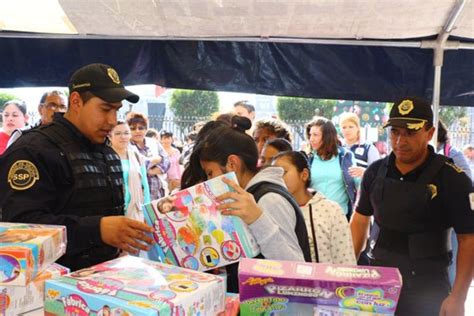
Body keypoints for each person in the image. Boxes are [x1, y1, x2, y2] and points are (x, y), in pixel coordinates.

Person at [0, 63, 154, 271]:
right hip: (51, 287)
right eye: (105, 109)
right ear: (76, 102)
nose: (112, 120)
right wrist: (97, 229)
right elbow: (19, 228)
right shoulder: (33, 150)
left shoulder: (108, 153)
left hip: (102, 282)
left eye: (117, 110)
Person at [350, 97, 474, 315]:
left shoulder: (453, 179)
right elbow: (360, 220)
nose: (400, 141)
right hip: (379, 283)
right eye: (395, 132)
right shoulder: (376, 172)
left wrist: (458, 297)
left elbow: (468, 239)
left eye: (410, 132)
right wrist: (348, 271)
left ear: (429, 132)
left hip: (428, 288)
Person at [194, 116, 310, 292]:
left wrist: (258, 219)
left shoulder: (268, 199)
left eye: (210, 173)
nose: (208, 182)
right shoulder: (246, 197)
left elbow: (296, 270)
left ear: (232, 163)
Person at [272, 151, 356, 265]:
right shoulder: (273, 211)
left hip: (325, 281)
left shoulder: (331, 211)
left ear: (304, 174)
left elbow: (345, 260)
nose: (277, 178)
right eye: (273, 174)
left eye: (283, 172)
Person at [306, 116, 358, 220]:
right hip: (313, 217)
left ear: (327, 136)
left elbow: (357, 183)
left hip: (340, 217)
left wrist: (364, 175)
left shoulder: (346, 156)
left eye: (315, 135)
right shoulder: (308, 158)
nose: (311, 139)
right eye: (310, 135)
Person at [109, 121, 151, 221]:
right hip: (113, 214)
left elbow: (144, 186)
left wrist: (147, 213)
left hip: (136, 212)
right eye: (118, 133)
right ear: (109, 136)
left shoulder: (137, 157)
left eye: (126, 133)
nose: (123, 137)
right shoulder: (105, 157)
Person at [127, 112, 170, 200]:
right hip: (137, 196)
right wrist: (155, 160)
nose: (137, 131)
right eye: (133, 128)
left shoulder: (153, 143)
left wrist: (151, 172)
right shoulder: (126, 146)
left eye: (141, 128)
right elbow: (135, 166)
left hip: (157, 194)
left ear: (146, 129)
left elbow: (166, 162)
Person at [339, 112, 380, 178]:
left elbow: (379, 173)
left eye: (351, 127)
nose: (347, 130)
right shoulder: (337, 147)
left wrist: (365, 172)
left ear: (358, 128)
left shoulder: (369, 148)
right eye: (344, 127)